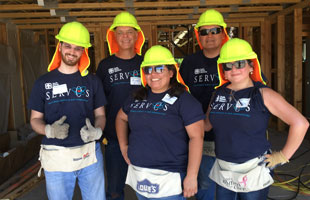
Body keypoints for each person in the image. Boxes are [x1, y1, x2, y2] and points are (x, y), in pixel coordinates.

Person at [204, 38, 309, 200]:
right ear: (223, 70)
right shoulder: (218, 94)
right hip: (224, 169)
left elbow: (300, 123)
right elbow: (206, 125)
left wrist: (282, 155)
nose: (234, 69)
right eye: (228, 65)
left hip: (252, 169)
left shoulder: (263, 94)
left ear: (251, 66)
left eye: (240, 63)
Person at [27, 21, 107, 200]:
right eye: (68, 46)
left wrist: (97, 131)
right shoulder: (43, 82)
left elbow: (100, 115)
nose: (72, 51)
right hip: (56, 156)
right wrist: (48, 130)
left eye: (78, 48)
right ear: (60, 46)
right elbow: (35, 119)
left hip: (89, 155)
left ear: (84, 51)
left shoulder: (92, 81)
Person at [115, 45, 204, 199]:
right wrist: (124, 147)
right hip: (140, 174)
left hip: (170, 176)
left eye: (159, 68)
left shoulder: (184, 100)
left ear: (171, 72)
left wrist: (191, 175)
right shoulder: (137, 96)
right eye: (148, 70)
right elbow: (121, 118)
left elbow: (197, 137)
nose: (153, 74)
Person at [179, 9, 229, 200]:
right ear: (198, 35)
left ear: (223, 33)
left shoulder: (233, 59)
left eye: (214, 30)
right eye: (204, 32)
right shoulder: (190, 62)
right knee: (206, 185)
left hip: (233, 136)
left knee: (231, 187)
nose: (209, 36)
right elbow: (179, 94)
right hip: (202, 135)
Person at [96, 11, 145, 200]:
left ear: (136, 35)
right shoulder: (105, 66)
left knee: (150, 186)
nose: (125, 36)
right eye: (120, 32)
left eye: (129, 32)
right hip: (114, 138)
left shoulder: (145, 63)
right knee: (115, 190)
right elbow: (98, 101)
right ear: (114, 36)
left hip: (144, 135)